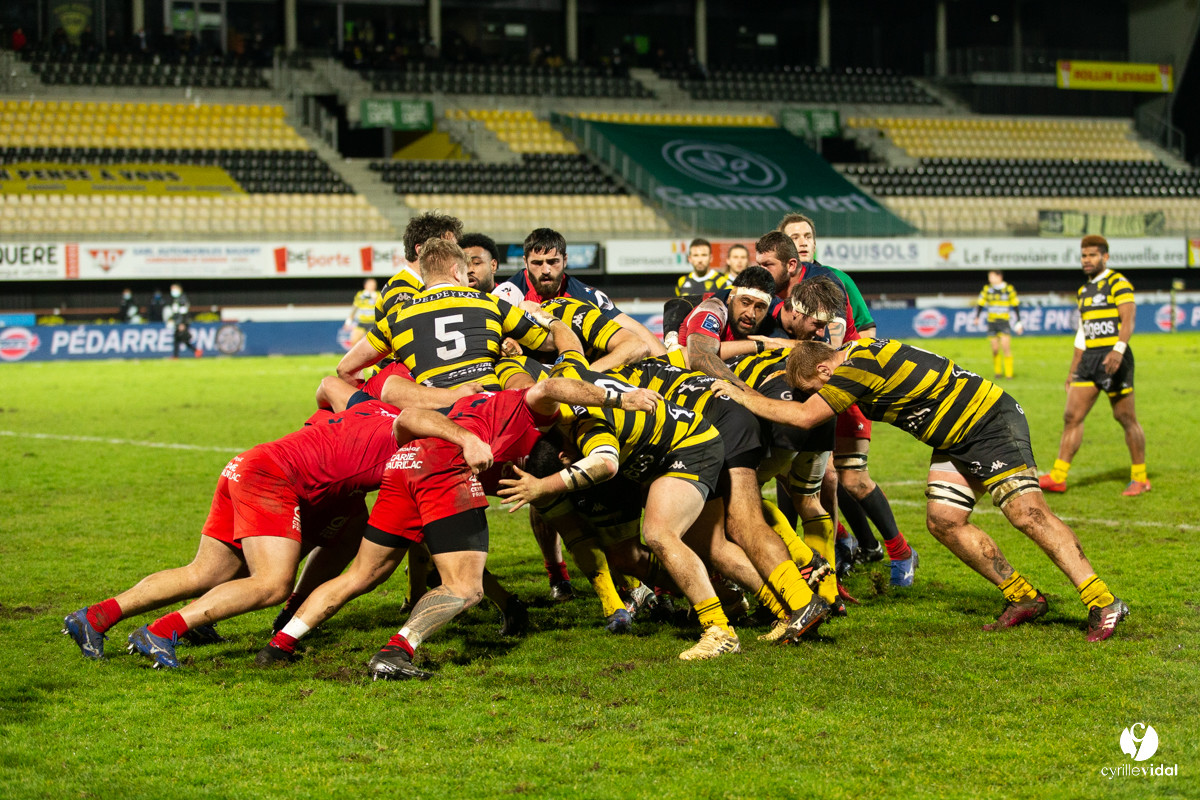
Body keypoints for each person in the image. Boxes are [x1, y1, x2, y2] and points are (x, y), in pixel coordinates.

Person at [712, 338, 1130, 642]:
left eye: (813, 386)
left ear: (825, 371)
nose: (815, 395)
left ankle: (1102, 600)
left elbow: (804, 416)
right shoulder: (858, 351)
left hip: (988, 423)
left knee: (1027, 514)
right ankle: (1022, 595)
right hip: (956, 436)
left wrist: (741, 395)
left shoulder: (856, 368)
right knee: (944, 521)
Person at [257, 379, 661, 677]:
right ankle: (397, 651)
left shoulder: (465, 402)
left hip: (403, 466)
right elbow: (552, 385)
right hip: (444, 469)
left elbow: (409, 418)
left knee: (362, 575)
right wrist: (621, 398)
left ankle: (280, 644)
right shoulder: (524, 406)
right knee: (466, 588)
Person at [61, 396, 479, 668]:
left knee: (205, 573)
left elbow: (329, 387)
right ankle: (161, 631)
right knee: (270, 582)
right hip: (272, 480)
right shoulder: (413, 437)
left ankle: (96, 617)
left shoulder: (367, 402)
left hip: (251, 464)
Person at [337, 238, 579, 395]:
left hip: (435, 417)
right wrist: (551, 320)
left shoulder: (397, 318)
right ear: (456, 271)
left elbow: (345, 369)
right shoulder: (490, 302)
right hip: (488, 410)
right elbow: (548, 343)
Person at [1039, 234, 1149, 496]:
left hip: (1114, 358)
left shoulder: (1117, 282)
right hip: (1089, 360)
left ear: (1105, 256)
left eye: (1091, 255)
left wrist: (1118, 350)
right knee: (1071, 417)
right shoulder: (1084, 291)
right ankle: (1058, 476)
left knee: (1125, 417)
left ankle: (1140, 477)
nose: (1086, 260)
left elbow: (1129, 319)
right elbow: (1082, 332)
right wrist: (1073, 368)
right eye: (1083, 256)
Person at [494, 228, 665, 358]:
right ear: (525, 262)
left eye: (553, 262)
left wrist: (668, 367)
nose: (545, 270)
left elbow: (637, 329)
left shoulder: (586, 294)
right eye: (537, 263)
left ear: (565, 260)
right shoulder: (509, 292)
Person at [374, 212, 463, 323]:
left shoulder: (427, 285)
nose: (457, 255)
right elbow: (408, 336)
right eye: (447, 248)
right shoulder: (400, 291)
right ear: (421, 251)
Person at [973, 270, 1023, 379]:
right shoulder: (987, 289)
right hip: (992, 323)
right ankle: (998, 373)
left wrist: (1019, 322)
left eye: (991, 276)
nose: (989, 279)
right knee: (995, 349)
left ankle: (1009, 374)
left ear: (999, 276)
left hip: (1004, 322)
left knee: (1006, 347)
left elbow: (1015, 305)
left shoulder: (1009, 289)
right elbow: (980, 303)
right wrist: (977, 317)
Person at [165, 283, 200, 358]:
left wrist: (182, 323)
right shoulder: (176, 299)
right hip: (179, 322)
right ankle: (195, 351)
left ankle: (195, 351)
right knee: (178, 339)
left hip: (182, 323)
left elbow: (184, 313)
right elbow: (176, 313)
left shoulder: (182, 299)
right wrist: (172, 319)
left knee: (182, 339)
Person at [344, 277, 378, 345]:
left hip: (373, 323)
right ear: (365, 286)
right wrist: (348, 322)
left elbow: (381, 307)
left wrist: (374, 297)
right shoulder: (360, 295)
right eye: (370, 285)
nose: (372, 287)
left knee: (373, 344)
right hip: (362, 322)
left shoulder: (378, 294)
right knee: (354, 340)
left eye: (374, 285)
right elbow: (354, 309)